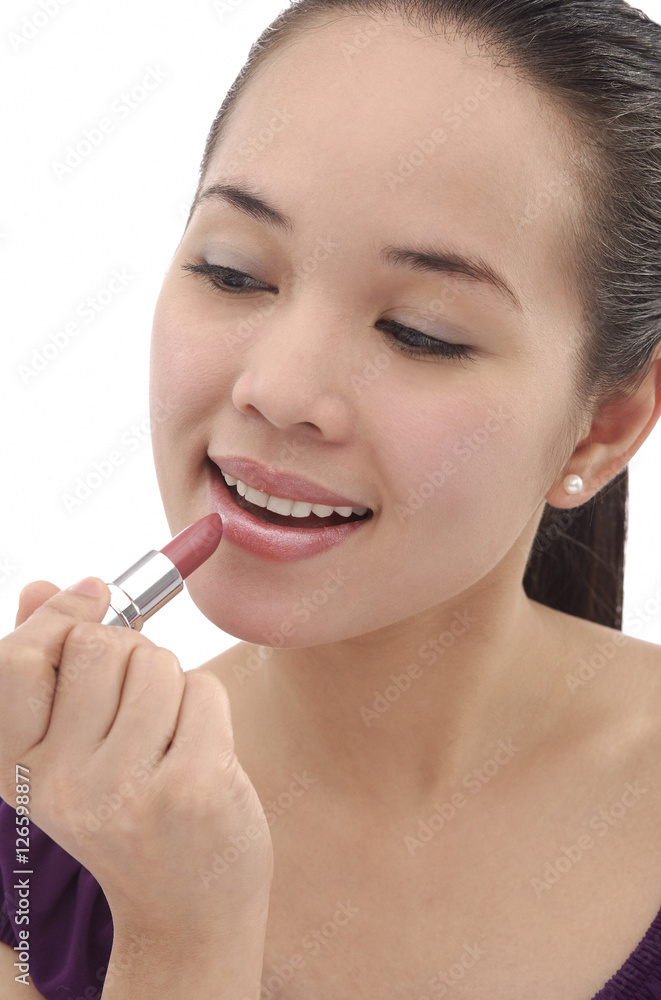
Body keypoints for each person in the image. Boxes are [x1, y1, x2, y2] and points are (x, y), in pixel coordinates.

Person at [2, 0, 661, 997]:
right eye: (232, 272)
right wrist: (179, 936)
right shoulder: (33, 838)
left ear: (603, 424)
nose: (277, 388)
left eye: (420, 332)